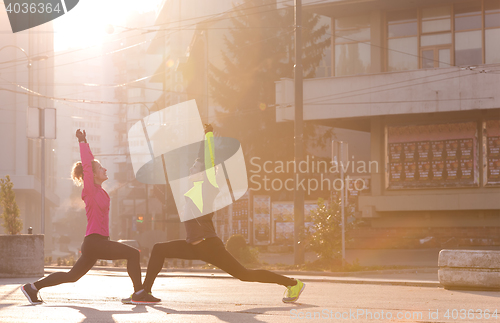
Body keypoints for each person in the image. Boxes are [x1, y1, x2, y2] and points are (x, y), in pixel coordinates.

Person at [130, 124, 305, 305]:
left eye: (195, 168)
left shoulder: (209, 187)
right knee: (159, 249)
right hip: (194, 245)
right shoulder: (193, 190)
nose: (190, 170)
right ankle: (144, 292)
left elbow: (208, 160)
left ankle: (293, 283)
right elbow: (199, 160)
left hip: (210, 246)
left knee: (244, 274)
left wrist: (208, 136)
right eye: (191, 167)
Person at [21, 129, 143, 305]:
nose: (105, 169)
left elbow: (91, 165)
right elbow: (88, 164)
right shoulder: (90, 190)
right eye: (101, 168)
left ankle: (32, 288)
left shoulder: (100, 191)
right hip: (96, 242)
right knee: (133, 254)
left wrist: (90, 154)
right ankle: (139, 292)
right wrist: (83, 142)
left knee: (72, 276)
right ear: (91, 175)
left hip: (94, 243)